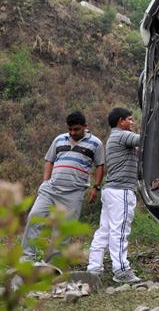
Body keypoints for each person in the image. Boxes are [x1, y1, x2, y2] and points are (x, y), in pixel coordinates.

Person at [21, 111, 104, 261]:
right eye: (70, 129)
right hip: (50, 190)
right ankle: (27, 258)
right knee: (34, 218)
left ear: (85, 126)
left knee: (63, 231)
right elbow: (49, 160)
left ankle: (52, 266)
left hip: (73, 194)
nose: (72, 133)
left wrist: (96, 187)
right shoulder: (59, 139)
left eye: (76, 129)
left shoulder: (95, 143)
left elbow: (100, 165)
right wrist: (45, 182)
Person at [87, 107, 142, 283]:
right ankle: (121, 270)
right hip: (121, 192)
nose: (133, 123)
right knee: (120, 231)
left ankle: (94, 269)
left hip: (111, 191)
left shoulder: (115, 137)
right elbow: (145, 140)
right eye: (130, 119)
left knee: (104, 231)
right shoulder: (121, 135)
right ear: (121, 121)